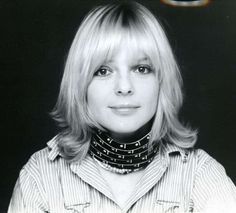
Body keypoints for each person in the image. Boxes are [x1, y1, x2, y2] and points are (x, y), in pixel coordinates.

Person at [8, 1, 236, 213]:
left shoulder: (200, 175)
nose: (124, 87)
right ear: (80, 86)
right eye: (103, 71)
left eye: (141, 68)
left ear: (161, 82)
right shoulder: (40, 175)